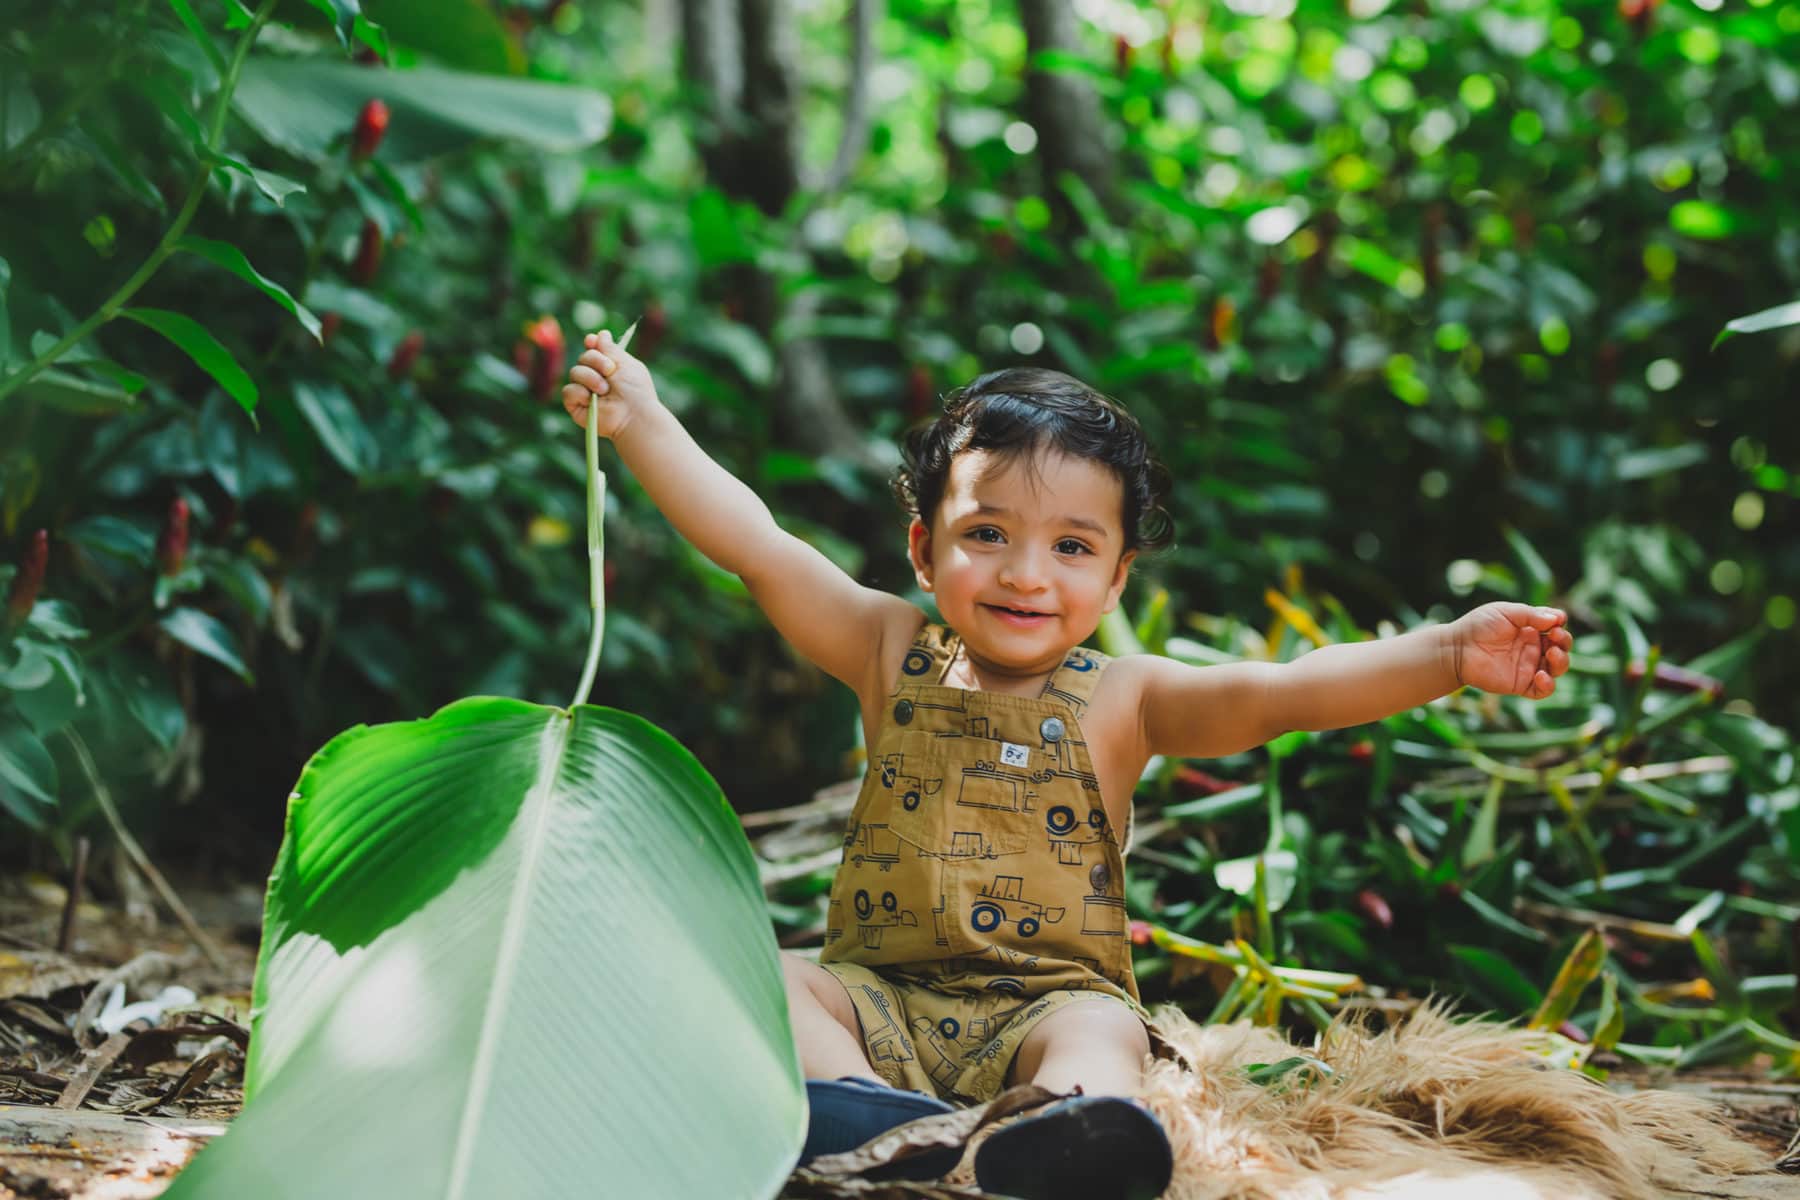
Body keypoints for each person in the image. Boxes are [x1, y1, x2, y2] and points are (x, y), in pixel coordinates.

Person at [563, 332, 1573, 1200]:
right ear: (923, 548)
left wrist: (1445, 655)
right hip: (880, 1001)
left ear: (1119, 572)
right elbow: (758, 545)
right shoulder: (886, 647)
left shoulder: (1128, 697)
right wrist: (643, 420)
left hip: (1044, 1006)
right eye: (987, 533)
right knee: (778, 979)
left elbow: (1288, 691)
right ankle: (875, 1123)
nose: (1025, 573)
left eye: (1072, 546)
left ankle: (1065, 1136)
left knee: (1103, 1033)